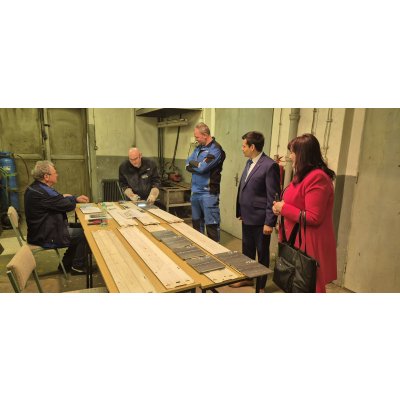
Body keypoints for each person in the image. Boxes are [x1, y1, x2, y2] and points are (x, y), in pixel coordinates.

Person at [272, 134, 337, 293]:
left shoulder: (317, 177)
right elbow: (293, 202)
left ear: (303, 154)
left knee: (309, 285)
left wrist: (284, 208)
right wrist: (279, 208)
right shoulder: (303, 175)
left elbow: (314, 217)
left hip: (309, 242)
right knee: (295, 284)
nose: (290, 156)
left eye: (293, 152)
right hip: (296, 239)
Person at [231, 131, 281, 291]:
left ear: (252, 147)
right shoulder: (249, 162)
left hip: (261, 220)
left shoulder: (269, 165)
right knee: (247, 251)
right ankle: (248, 279)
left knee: (262, 253)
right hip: (247, 216)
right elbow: (245, 188)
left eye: (244, 146)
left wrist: (269, 222)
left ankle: (260, 286)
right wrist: (241, 210)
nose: (242, 148)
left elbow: (273, 196)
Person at [24, 160, 90, 275]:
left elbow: (59, 199)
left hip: (44, 228)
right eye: (55, 173)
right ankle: (77, 266)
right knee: (86, 234)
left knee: (83, 227)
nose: (57, 175)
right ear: (46, 176)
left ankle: (67, 264)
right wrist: (72, 199)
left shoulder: (38, 187)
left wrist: (74, 198)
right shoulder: (42, 193)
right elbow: (66, 205)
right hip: (45, 235)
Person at [186, 122, 225, 242]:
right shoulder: (198, 148)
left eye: (197, 137)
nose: (196, 139)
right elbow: (187, 164)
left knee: (211, 225)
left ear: (205, 135)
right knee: (197, 224)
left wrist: (194, 164)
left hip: (208, 193)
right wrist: (196, 164)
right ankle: (200, 248)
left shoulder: (216, 150)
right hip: (195, 192)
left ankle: (215, 250)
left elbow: (203, 168)